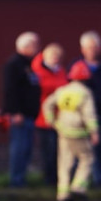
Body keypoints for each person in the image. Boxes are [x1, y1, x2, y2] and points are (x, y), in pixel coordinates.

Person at [42, 60, 99, 201]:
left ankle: (62, 194)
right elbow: (89, 114)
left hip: (63, 130)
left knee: (64, 162)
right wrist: (94, 131)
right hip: (79, 131)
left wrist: (51, 121)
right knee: (87, 158)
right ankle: (78, 187)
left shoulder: (62, 90)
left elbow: (47, 104)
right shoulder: (85, 93)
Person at [73, 31, 101, 188]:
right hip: (80, 117)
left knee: (100, 148)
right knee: (80, 149)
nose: (92, 50)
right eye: (88, 47)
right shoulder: (76, 66)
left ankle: (100, 180)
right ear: (82, 49)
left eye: (95, 47)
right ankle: (79, 182)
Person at [3, 32, 41, 187]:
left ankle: (21, 179)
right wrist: (15, 112)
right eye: (35, 45)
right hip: (20, 115)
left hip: (29, 114)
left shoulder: (28, 64)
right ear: (26, 46)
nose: (37, 48)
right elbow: (10, 90)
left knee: (26, 149)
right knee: (19, 149)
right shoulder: (14, 64)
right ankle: (16, 181)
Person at [32, 43, 68, 186]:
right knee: (47, 150)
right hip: (43, 118)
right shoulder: (38, 71)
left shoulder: (61, 71)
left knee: (58, 150)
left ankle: (57, 179)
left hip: (60, 117)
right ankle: (49, 179)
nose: (55, 59)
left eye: (57, 56)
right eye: (52, 56)